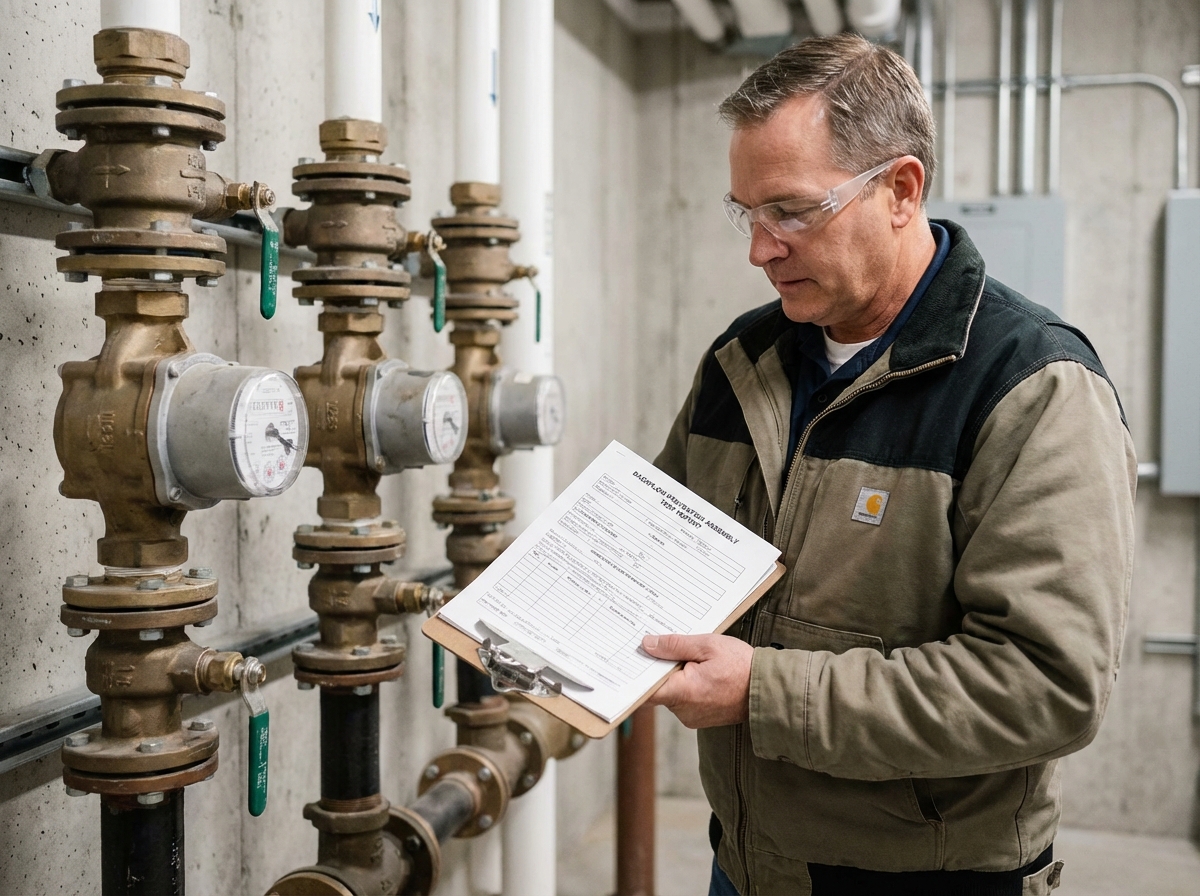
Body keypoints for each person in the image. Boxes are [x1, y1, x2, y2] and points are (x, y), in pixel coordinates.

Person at [641, 33, 1135, 896]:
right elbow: (655, 546)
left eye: (791, 210)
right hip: (749, 861)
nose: (759, 250)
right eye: (746, 212)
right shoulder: (742, 361)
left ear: (901, 190)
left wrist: (763, 693)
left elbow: (1044, 684)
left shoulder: (1032, 387)